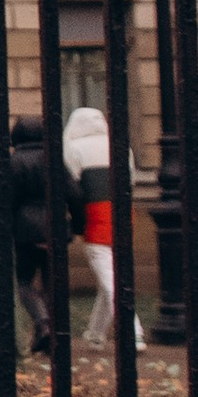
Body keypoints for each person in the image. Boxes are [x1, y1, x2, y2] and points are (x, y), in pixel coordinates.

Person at [63, 100, 139, 347]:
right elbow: (131, 180)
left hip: (94, 216)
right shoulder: (119, 145)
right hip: (123, 214)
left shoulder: (73, 148)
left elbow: (71, 187)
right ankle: (96, 333)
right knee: (110, 276)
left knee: (110, 277)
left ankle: (132, 330)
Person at [8, 113, 82, 355]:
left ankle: (43, 324)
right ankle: (55, 334)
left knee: (24, 281)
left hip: (26, 230)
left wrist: (9, 227)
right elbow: (74, 194)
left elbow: (9, 200)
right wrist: (78, 225)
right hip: (56, 228)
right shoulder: (54, 160)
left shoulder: (15, 161)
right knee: (53, 283)